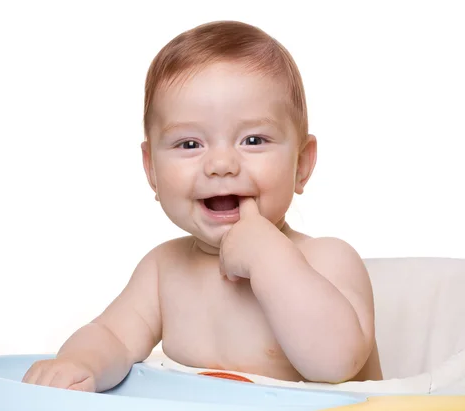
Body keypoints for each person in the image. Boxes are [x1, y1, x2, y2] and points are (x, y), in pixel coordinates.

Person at [22, 20, 383, 392]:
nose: (221, 164)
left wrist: (269, 258)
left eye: (253, 139)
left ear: (301, 165)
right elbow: (110, 334)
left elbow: (336, 363)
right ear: (152, 172)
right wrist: (82, 363)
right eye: (190, 145)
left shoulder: (328, 260)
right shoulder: (164, 272)